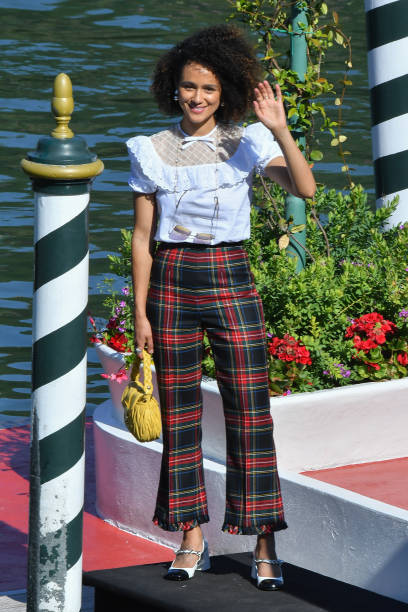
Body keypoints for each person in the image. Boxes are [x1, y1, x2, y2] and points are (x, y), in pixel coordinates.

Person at [126, 24, 315, 590]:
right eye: (188, 87)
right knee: (179, 415)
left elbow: (305, 190)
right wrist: (140, 313)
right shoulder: (149, 151)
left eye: (208, 89)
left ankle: (262, 544)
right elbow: (142, 237)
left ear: (224, 91)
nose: (197, 98)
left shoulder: (249, 141)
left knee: (250, 414)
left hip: (232, 276)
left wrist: (280, 130)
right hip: (173, 281)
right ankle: (190, 539)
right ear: (173, 89)